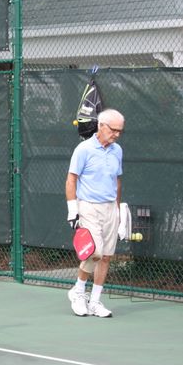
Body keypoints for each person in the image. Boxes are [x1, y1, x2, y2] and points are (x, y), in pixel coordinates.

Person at [65, 108, 125, 318]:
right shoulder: (83, 149)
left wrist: (119, 211)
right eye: (113, 129)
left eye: (120, 131)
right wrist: (73, 210)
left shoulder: (117, 150)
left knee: (106, 257)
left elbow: (117, 181)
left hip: (110, 208)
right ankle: (78, 291)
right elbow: (71, 179)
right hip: (88, 206)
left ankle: (95, 301)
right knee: (94, 253)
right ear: (101, 126)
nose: (116, 134)